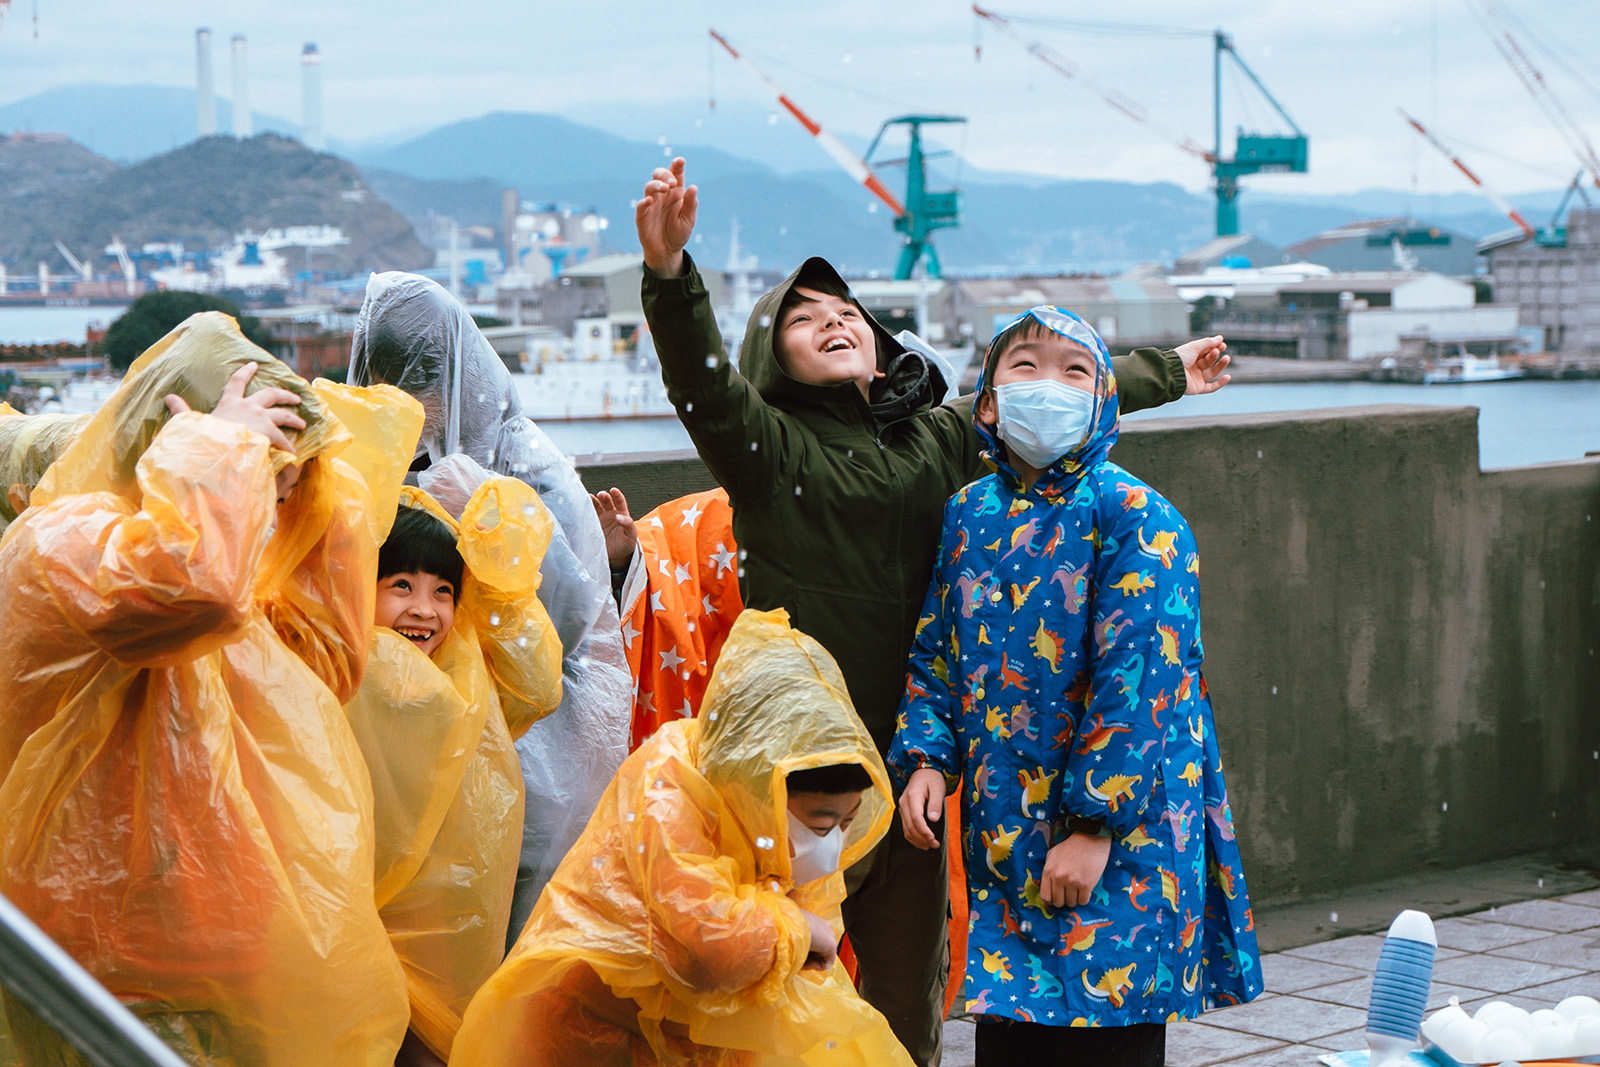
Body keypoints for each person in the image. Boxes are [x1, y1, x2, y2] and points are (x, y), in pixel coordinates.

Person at [633, 156, 1230, 1065]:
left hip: (916, 755)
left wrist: (1171, 372)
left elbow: (1056, 394)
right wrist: (673, 278)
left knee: (909, 978)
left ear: (879, 341)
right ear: (773, 356)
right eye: (804, 318)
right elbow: (704, 388)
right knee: (782, 967)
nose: (833, 322)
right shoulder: (770, 448)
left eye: (846, 314)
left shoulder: (939, 437)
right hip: (804, 764)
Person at [0, 312, 410, 1066]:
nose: (271, 511)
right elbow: (190, 588)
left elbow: (329, 665)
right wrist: (224, 448)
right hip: (104, 965)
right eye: (261, 484)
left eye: (280, 493)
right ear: (171, 438)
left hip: (214, 953)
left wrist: (311, 497)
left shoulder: (219, 558)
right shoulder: (61, 542)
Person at [888, 306, 1262, 1066]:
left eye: (1075, 370)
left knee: (1109, 1032)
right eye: (1024, 366)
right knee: (1011, 1029)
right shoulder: (967, 516)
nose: (1048, 385)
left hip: (1119, 843)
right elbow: (935, 650)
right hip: (1005, 834)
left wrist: (1095, 825)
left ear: (1104, 401)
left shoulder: (1136, 516)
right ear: (986, 402)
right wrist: (927, 758)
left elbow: (1144, 682)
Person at [452, 608, 913, 1067]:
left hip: (698, 1043)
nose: (833, 846)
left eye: (847, 824)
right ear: (756, 783)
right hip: (595, 1031)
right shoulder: (669, 788)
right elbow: (708, 951)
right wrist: (795, 931)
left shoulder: (757, 808)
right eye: (819, 826)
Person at [349, 274, 634, 939]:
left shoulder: (522, 461)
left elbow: (565, 612)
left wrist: (483, 511)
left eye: (419, 383)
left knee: (515, 925)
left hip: (546, 737)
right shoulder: (399, 457)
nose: (409, 402)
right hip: (444, 732)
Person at [341, 471, 565, 1066]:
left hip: (435, 931)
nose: (424, 609)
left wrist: (504, 592)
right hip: (351, 917)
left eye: (444, 591)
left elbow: (539, 686)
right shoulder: (334, 661)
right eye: (401, 584)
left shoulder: (464, 673)